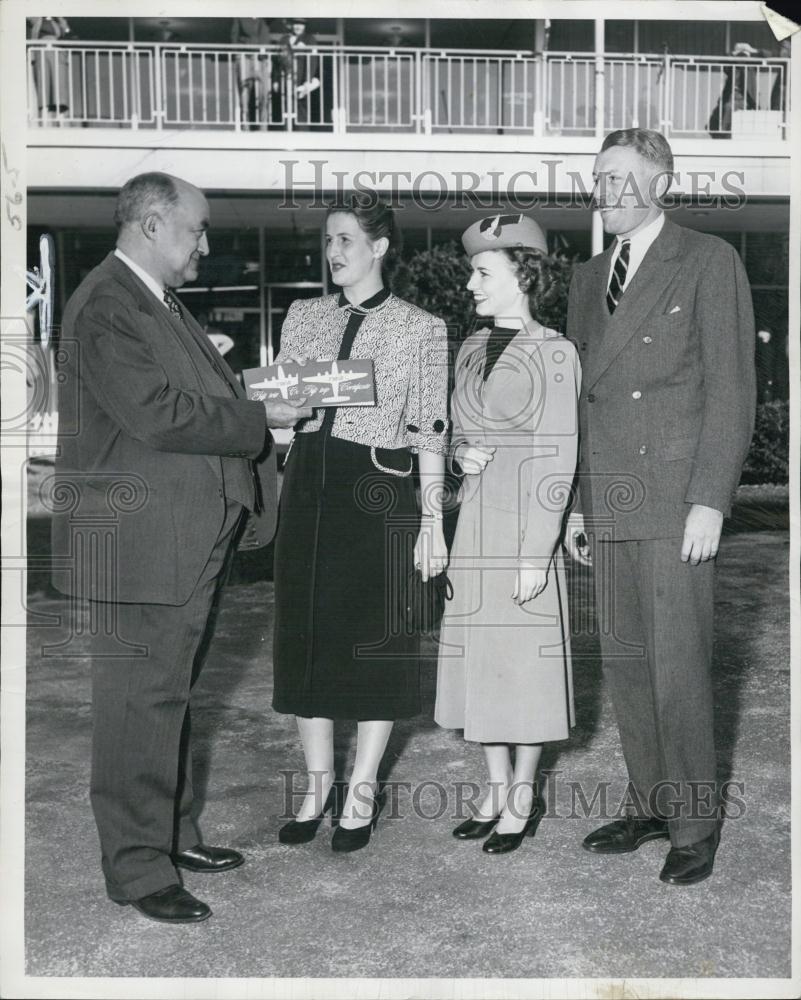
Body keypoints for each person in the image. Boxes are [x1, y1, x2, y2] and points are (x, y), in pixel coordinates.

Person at [50, 172, 312, 924]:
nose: (204, 245)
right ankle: (137, 869)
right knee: (139, 704)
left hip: (177, 539)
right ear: (154, 224)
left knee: (171, 697)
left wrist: (254, 397)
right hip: (139, 544)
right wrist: (259, 414)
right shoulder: (107, 303)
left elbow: (205, 393)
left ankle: (171, 833)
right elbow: (160, 414)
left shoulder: (153, 302)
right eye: (196, 230)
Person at [565, 129, 756, 885]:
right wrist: (579, 506)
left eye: (619, 179)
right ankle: (649, 801)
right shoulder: (586, 276)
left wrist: (709, 499)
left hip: (675, 500)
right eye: (598, 180)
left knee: (677, 668)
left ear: (661, 182)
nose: (605, 193)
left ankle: (693, 824)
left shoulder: (708, 261)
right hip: (609, 497)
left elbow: (732, 390)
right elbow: (583, 402)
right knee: (627, 664)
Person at [272, 195, 449, 853]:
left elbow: (431, 427)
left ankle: (363, 790)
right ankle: (317, 786)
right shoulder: (302, 316)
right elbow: (279, 406)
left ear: (379, 247)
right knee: (307, 641)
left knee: (376, 641)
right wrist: (275, 403)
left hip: (379, 491)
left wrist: (431, 523)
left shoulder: (420, 327)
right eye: (327, 240)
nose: (334, 251)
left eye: (346, 239)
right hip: (309, 488)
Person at [435, 214, 581, 854]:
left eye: (481, 272)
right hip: (474, 526)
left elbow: (560, 457)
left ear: (522, 274)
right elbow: (457, 427)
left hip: (524, 532)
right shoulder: (469, 347)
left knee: (523, 669)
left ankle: (523, 795)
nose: (470, 282)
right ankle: (494, 788)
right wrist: (460, 451)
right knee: (480, 662)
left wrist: (536, 555)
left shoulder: (555, 351)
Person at [270, 17, 320, 128]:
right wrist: (275, 80)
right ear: (291, 25)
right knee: (286, 108)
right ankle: (286, 133)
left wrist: (308, 80)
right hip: (285, 79)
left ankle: (302, 137)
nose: (298, 27)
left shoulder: (309, 39)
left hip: (302, 79)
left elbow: (313, 61)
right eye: (295, 24)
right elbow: (276, 62)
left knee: (301, 109)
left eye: (301, 24)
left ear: (305, 26)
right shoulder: (284, 39)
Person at [231, 17, 272, 129]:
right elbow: (234, 37)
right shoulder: (240, 18)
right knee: (245, 92)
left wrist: (266, 57)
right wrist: (238, 56)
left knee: (264, 93)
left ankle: (263, 126)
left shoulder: (264, 19)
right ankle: (245, 125)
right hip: (246, 58)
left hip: (261, 59)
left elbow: (266, 38)